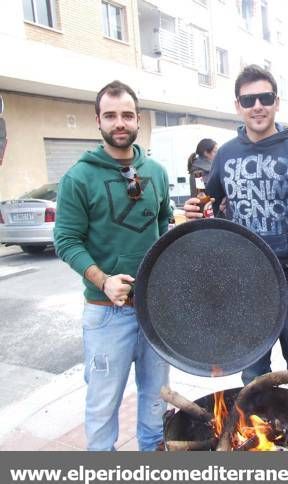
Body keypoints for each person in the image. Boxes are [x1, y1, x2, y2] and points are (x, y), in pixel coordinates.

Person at [184, 65, 288, 399]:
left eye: (265, 98)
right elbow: (207, 206)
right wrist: (194, 210)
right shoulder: (224, 155)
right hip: (245, 285)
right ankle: (259, 442)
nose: (257, 105)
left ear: (276, 103)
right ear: (238, 105)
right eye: (248, 99)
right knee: (253, 377)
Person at [54, 80, 171, 451]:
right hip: (107, 315)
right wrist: (103, 280)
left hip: (155, 312)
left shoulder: (156, 171)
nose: (119, 123)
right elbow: (66, 241)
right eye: (110, 115)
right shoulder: (78, 177)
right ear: (98, 121)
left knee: (156, 404)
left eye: (126, 115)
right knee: (103, 409)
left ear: (138, 120)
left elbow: (164, 225)